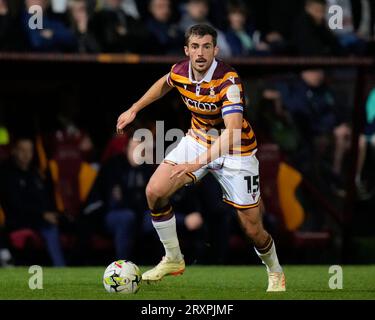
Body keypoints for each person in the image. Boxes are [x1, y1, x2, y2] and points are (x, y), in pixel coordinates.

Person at [116, 24, 285, 292]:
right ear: (187, 50)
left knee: (252, 229)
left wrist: (194, 165)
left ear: (215, 50)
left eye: (207, 46)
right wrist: (134, 108)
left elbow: (230, 136)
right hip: (198, 139)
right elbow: (164, 83)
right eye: (195, 47)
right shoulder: (181, 71)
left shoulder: (228, 81)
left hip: (236, 152)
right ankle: (173, 258)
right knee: (155, 191)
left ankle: (275, 271)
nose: (201, 52)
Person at [0, 137, 66, 266]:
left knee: (70, 222)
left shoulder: (35, 173)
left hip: (40, 218)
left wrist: (52, 213)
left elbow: (45, 200)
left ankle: (79, 264)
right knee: (50, 227)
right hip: (18, 219)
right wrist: (42, 214)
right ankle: (60, 267)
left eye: (29, 151)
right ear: (14, 151)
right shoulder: (6, 174)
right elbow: (15, 205)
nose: (26, 155)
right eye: (22, 150)